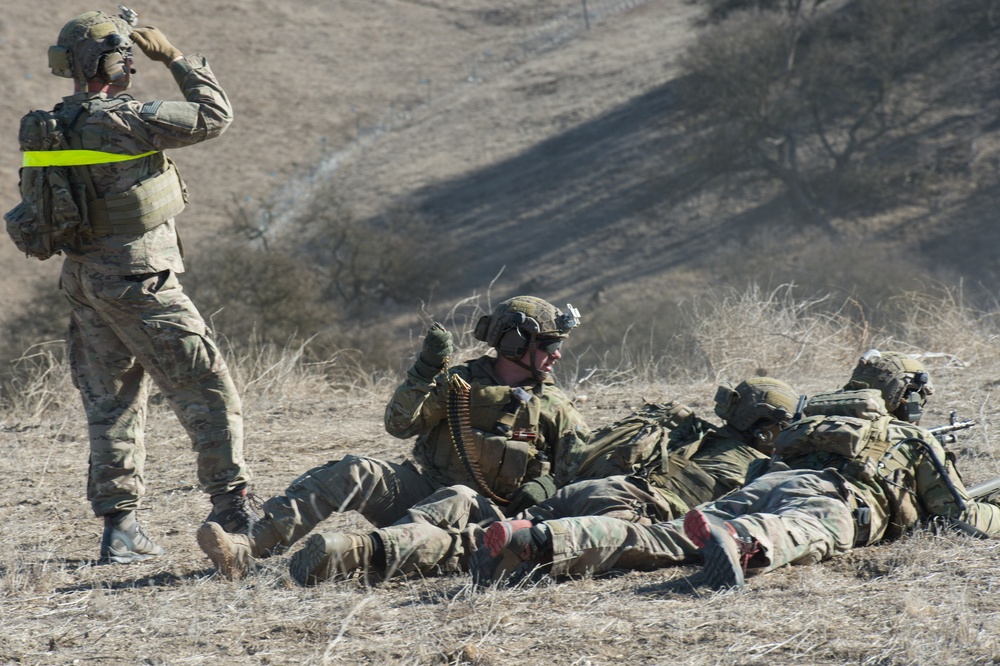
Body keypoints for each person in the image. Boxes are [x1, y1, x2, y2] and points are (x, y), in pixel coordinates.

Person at [474, 349, 1000, 589]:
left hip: (768, 483)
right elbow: (961, 518)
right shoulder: (910, 436)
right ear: (903, 399)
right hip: (833, 498)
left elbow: (759, 475)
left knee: (663, 537)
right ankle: (738, 539)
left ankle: (537, 540)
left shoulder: (803, 427)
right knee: (797, 530)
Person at [29, 10, 255, 564]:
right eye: (124, 52)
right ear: (110, 61)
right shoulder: (128, 118)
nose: (132, 60)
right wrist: (175, 58)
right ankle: (236, 511)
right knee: (206, 387)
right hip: (138, 280)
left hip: (85, 281)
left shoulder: (53, 124)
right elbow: (215, 115)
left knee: (111, 405)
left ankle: (121, 528)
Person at [196, 296, 593, 579]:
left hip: (486, 521)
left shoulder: (554, 405)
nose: (557, 355)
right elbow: (400, 425)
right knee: (356, 470)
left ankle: (357, 553)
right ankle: (247, 548)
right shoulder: (460, 384)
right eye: (549, 345)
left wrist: (546, 485)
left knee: (459, 497)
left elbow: (586, 469)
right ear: (515, 342)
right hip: (425, 494)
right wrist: (423, 374)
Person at [279, 375, 799, 586]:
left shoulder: (681, 427)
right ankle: (362, 555)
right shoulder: (758, 466)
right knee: (475, 550)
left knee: (464, 503)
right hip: (625, 509)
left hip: (581, 491)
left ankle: (360, 543)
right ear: (769, 428)